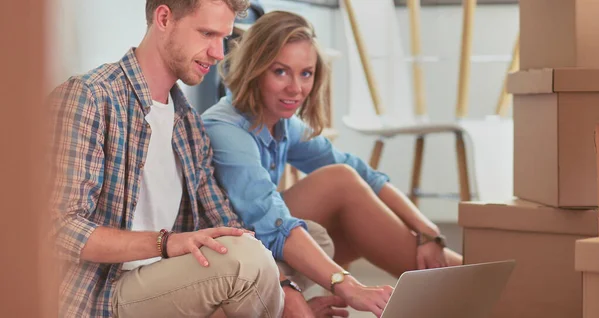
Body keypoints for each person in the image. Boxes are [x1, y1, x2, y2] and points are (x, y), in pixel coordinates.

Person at [202, 10, 464, 317]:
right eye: (280, 72)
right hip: (223, 253)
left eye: (306, 73)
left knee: (347, 183)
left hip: (259, 237)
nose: (296, 88)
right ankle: (464, 284)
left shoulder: (283, 124)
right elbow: (270, 221)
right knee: (338, 182)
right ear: (255, 69)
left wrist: (428, 231)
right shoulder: (226, 128)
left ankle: (461, 280)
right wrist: (347, 284)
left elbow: (364, 175)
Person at [48, 1, 286, 317]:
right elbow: (60, 227)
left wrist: (284, 286)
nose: (218, 53)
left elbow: (224, 222)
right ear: (164, 18)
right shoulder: (91, 97)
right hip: (102, 295)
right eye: (207, 34)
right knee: (247, 265)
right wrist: (164, 243)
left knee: (277, 250)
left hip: (162, 281)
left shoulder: (188, 123)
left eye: (223, 38)